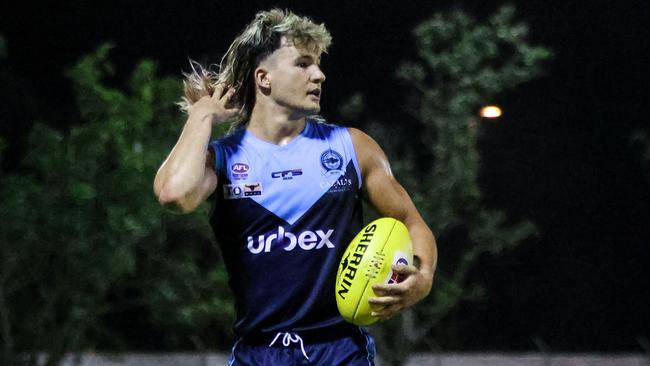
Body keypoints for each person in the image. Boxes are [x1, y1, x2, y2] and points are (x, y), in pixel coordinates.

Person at [154, 8, 437, 366]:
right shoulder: (224, 160)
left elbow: (411, 220)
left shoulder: (351, 147)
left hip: (339, 350)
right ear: (264, 78)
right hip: (258, 353)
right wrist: (201, 116)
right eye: (303, 64)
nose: (319, 74)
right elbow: (174, 194)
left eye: (318, 64)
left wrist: (423, 276)